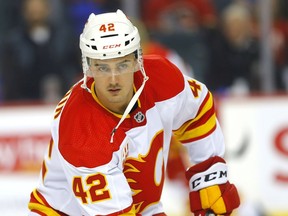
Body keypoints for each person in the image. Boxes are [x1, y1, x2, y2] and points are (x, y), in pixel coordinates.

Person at [27, 10, 240, 216]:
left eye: (122, 64)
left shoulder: (163, 79)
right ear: (88, 67)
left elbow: (197, 111)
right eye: (102, 67)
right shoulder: (81, 131)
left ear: (137, 59)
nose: (113, 80)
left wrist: (209, 176)